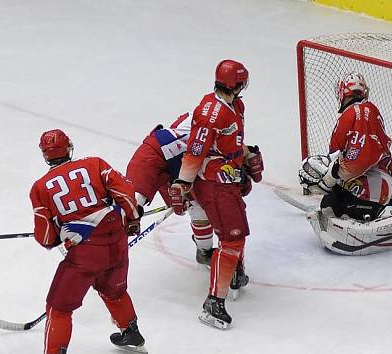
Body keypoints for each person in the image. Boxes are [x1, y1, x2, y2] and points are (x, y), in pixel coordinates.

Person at [30, 129, 147, 353]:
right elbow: (126, 194)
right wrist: (132, 219)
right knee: (114, 291)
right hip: (117, 243)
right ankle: (131, 333)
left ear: (45, 155)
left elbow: (45, 236)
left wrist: (55, 237)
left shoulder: (40, 187)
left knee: (59, 308)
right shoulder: (95, 164)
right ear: (69, 147)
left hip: (85, 255)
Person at [168, 59, 263, 329]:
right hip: (214, 185)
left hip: (227, 181)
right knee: (232, 239)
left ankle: (234, 274)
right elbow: (195, 152)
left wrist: (247, 155)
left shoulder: (236, 106)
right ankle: (214, 304)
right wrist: (183, 183)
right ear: (238, 84)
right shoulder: (210, 113)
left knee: (237, 231)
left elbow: (232, 144)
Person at [300, 72, 392, 255]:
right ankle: (376, 212)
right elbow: (346, 155)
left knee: (337, 208)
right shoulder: (359, 112)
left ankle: (390, 219)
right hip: (369, 182)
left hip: (372, 186)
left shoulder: (357, 113)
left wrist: (331, 177)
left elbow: (362, 159)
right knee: (329, 206)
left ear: (343, 93)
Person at [126, 112, 216, 266]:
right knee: (130, 209)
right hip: (154, 155)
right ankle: (101, 241)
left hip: (182, 166)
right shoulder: (204, 115)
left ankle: (204, 251)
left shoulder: (222, 123)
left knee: (198, 205)